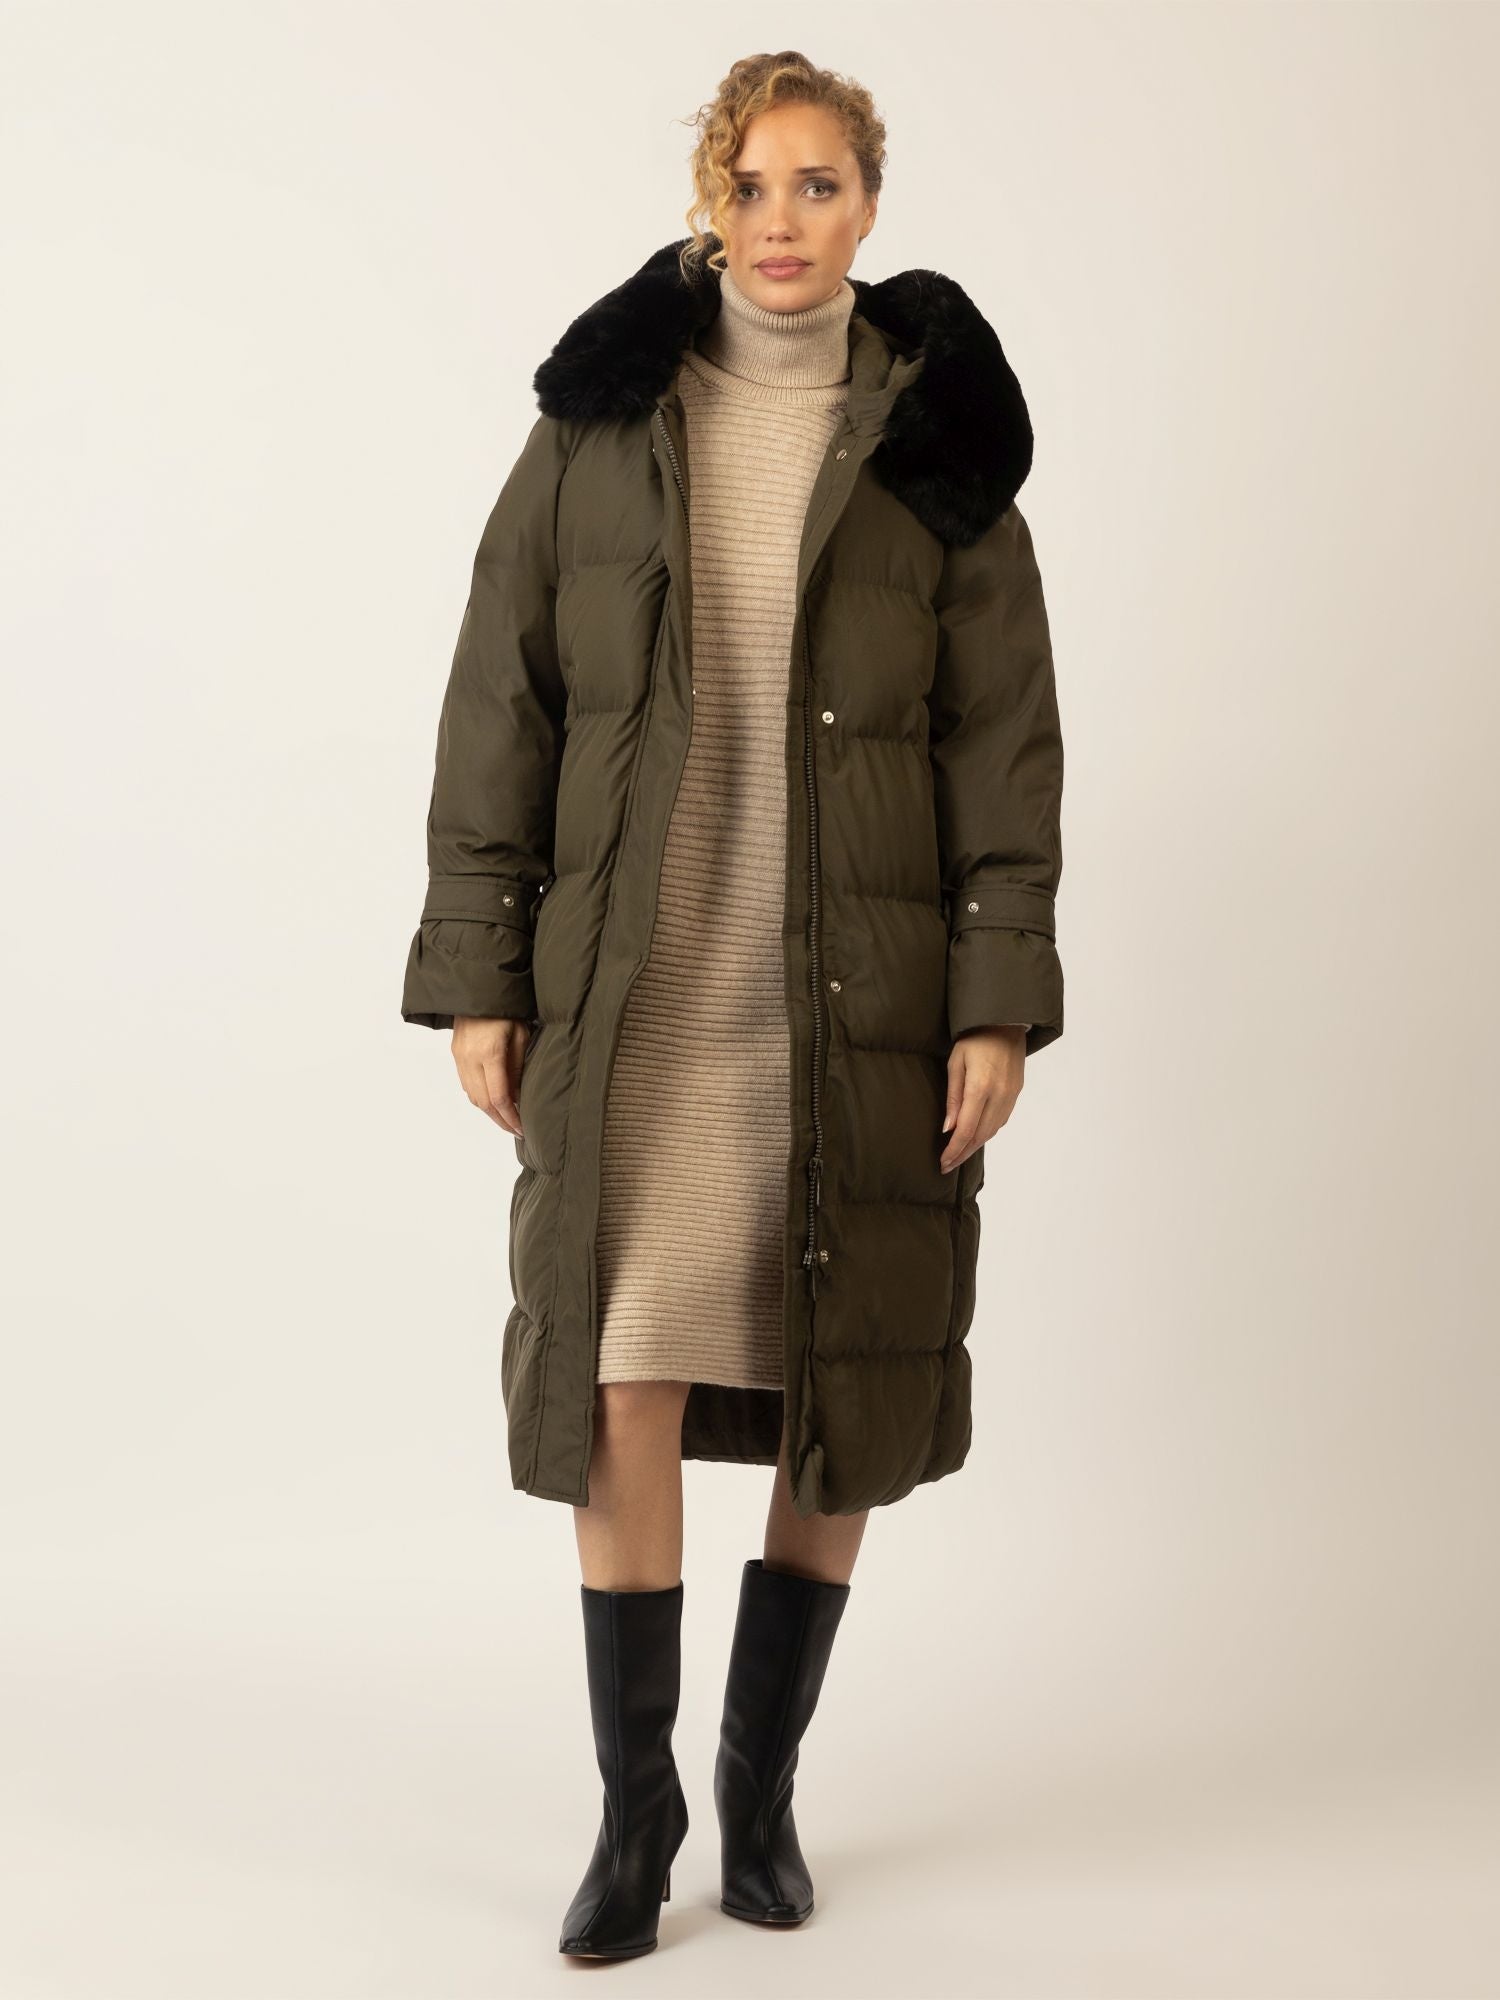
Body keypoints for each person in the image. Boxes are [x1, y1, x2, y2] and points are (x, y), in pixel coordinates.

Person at [400, 50, 1064, 1961]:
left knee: (837, 1384)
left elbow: (1003, 752)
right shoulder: (602, 429)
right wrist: (480, 972)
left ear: (871, 204)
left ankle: (762, 1795)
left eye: (820, 185)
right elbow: (501, 700)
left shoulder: (940, 455)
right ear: (710, 202)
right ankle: (639, 1816)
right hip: (644, 988)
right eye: (753, 186)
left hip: (855, 994)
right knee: (620, 1370)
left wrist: (994, 1003)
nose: (785, 222)